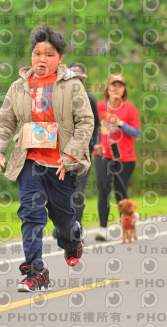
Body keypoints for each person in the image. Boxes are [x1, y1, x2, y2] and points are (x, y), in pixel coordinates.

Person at [0, 25, 94, 291]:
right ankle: (36, 270)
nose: (42, 59)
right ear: (31, 56)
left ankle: (72, 239)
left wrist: (70, 154)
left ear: (60, 58)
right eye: (37, 54)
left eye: (49, 54)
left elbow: (85, 122)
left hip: (61, 164)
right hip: (30, 161)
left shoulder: (72, 86)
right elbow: (4, 121)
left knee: (63, 219)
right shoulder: (18, 87)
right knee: (31, 214)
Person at [93, 74, 141, 241]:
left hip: (124, 157)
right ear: (107, 88)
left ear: (124, 90)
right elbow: (90, 127)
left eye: (120, 86)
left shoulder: (130, 108)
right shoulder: (98, 107)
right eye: (113, 85)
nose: (116, 89)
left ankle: (126, 224)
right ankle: (103, 228)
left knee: (121, 191)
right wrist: (95, 143)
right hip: (102, 155)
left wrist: (120, 123)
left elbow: (137, 133)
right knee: (104, 189)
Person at [67, 62, 101, 229]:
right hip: (62, 151)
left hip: (83, 151)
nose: (75, 77)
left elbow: (97, 124)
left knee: (78, 192)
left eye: (79, 75)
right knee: (61, 192)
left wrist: (97, 143)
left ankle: (76, 228)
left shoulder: (89, 98)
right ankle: (63, 227)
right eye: (72, 73)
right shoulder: (59, 97)